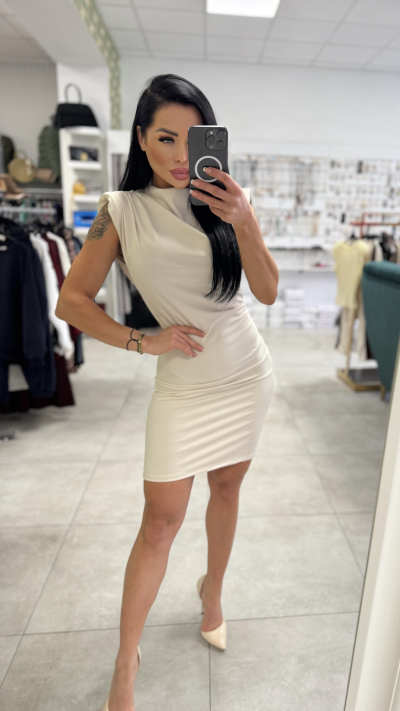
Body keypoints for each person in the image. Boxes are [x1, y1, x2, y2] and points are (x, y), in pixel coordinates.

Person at [56, 73, 279, 711]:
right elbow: (72, 301)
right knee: (159, 522)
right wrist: (141, 341)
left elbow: (266, 292)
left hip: (245, 374)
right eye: (165, 138)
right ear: (141, 140)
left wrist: (245, 221)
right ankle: (125, 662)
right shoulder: (119, 210)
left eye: (193, 139)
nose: (182, 156)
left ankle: (213, 594)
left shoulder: (227, 202)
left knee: (227, 489)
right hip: (182, 385)